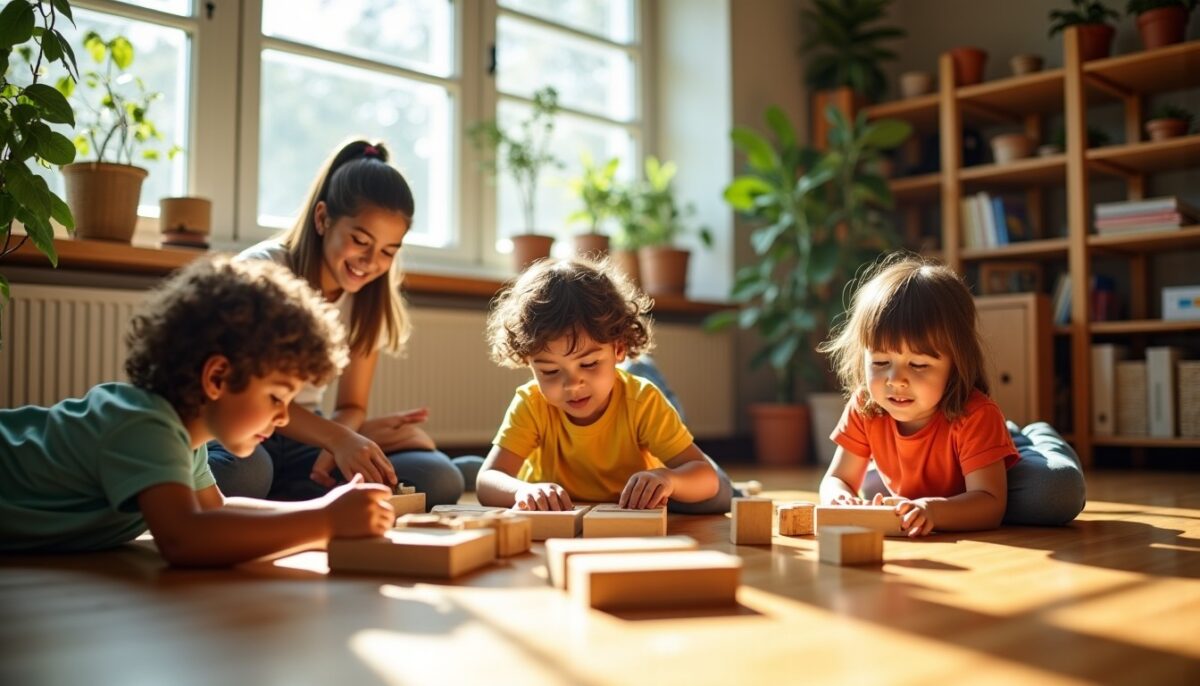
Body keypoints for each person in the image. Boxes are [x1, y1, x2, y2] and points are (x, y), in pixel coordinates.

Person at [0, 257, 395, 565]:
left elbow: (219, 511)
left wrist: (324, 508)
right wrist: (324, 522)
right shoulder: (142, 422)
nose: (284, 418)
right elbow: (184, 538)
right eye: (277, 397)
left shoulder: (187, 439)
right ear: (218, 377)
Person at [207, 139, 467, 507]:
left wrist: (347, 437)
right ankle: (288, 493)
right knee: (243, 476)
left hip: (306, 436)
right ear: (322, 218)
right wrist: (338, 438)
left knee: (437, 478)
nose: (371, 261)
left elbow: (352, 404)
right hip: (242, 422)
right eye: (360, 241)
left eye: (389, 251)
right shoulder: (264, 271)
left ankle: (291, 492)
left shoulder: (369, 301)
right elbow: (239, 391)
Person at [816, 253, 1086, 536]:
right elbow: (837, 478)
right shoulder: (865, 405)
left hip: (994, 449)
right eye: (880, 363)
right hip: (940, 475)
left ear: (956, 364)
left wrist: (932, 511)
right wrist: (838, 498)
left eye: (918, 365)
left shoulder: (976, 414)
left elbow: (990, 506)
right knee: (872, 489)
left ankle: (1032, 434)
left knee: (1054, 493)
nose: (895, 380)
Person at [474, 257, 733, 513]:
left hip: (644, 431)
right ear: (528, 361)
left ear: (618, 348)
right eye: (550, 371)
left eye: (588, 364)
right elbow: (488, 480)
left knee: (715, 498)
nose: (573, 385)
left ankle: (642, 365)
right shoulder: (531, 402)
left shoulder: (642, 400)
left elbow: (706, 479)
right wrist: (521, 490)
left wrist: (668, 479)